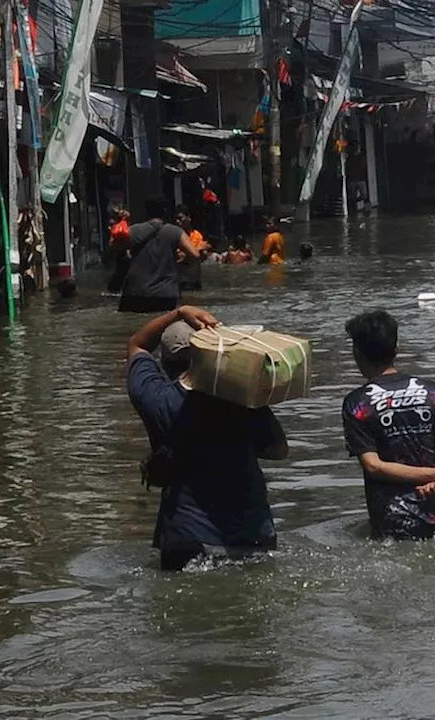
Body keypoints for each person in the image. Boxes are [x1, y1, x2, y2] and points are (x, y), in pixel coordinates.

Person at [126, 305, 289, 570]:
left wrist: (179, 312)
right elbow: (280, 450)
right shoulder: (242, 397)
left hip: (189, 539)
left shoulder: (156, 399)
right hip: (254, 534)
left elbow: (137, 345)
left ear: (166, 363)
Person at [341, 310, 435, 540]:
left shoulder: (358, 403)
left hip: (393, 523)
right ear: (396, 349)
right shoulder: (431, 392)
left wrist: (430, 474)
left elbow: (374, 466)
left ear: (357, 353)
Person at [119, 196, 201, 313]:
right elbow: (195, 255)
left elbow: (114, 247)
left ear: (146, 212)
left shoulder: (133, 231)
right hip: (165, 294)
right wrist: (182, 267)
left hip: (135, 293)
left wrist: (122, 221)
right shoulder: (175, 232)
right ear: (165, 212)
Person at [175, 207, 210, 292]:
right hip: (182, 281)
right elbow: (180, 257)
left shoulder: (197, 235)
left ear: (189, 218)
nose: (177, 221)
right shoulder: (175, 236)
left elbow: (204, 256)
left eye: (180, 218)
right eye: (176, 219)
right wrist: (198, 250)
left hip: (195, 280)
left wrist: (197, 253)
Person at [106, 208, 132, 294]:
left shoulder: (115, 228)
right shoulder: (127, 228)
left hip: (119, 252)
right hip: (125, 253)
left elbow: (111, 243)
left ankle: (114, 289)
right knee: (124, 272)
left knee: (119, 271)